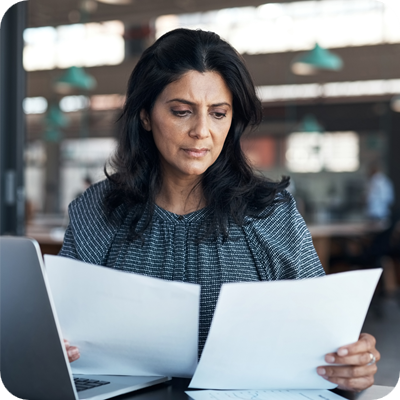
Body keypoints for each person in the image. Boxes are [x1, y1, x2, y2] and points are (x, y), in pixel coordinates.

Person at [59, 28, 380, 391]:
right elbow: (59, 332)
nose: (201, 131)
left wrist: (352, 363)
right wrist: (55, 346)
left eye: (218, 113)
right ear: (146, 115)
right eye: (182, 112)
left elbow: (326, 340)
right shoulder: (97, 211)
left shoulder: (270, 214)